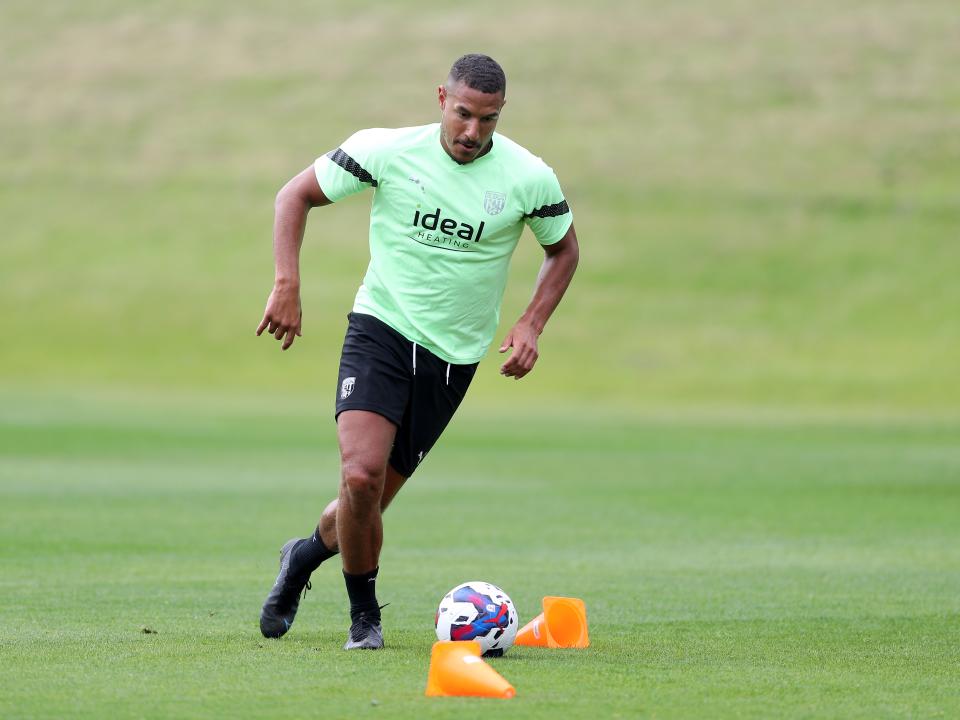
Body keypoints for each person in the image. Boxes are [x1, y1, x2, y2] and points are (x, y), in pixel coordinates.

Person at [255, 53, 579, 649]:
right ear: (441, 99)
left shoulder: (528, 177)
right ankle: (364, 619)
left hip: (452, 360)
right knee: (359, 475)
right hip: (379, 329)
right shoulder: (386, 150)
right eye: (462, 114)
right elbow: (292, 196)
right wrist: (287, 282)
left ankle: (301, 558)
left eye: (488, 120)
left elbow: (563, 250)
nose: (472, 132)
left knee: (365, 503)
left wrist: (532, 323)